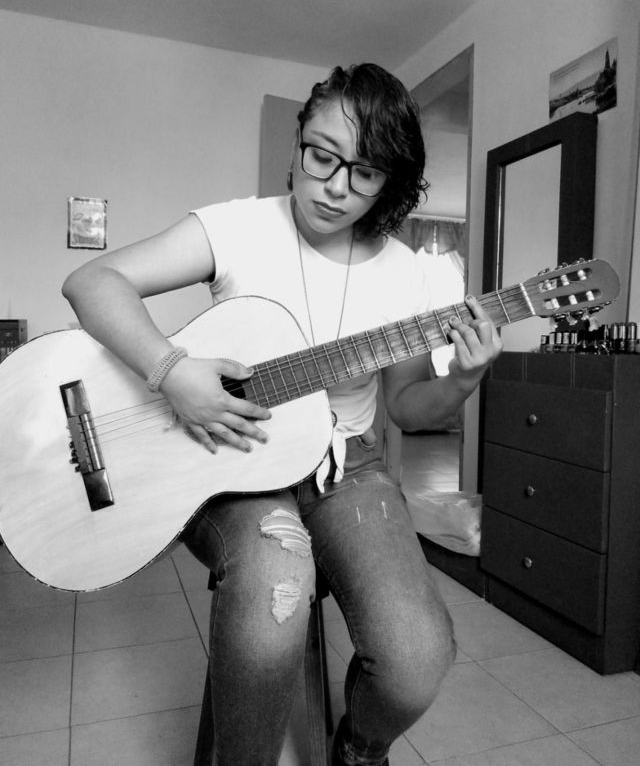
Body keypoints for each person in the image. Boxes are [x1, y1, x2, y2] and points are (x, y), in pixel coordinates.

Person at [62, 62, 502, 766]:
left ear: (390, 181)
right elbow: (91, 281)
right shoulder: (235, 227)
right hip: (233, 456)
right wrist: (170, 370)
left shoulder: (409, 273)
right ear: (298, 142)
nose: (335, 185)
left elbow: (406, 406)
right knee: (275, 585)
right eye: (321, 155)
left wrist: (467, 376)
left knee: (417, 655)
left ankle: (358, 750)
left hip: (346, 468)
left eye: (365, 172)